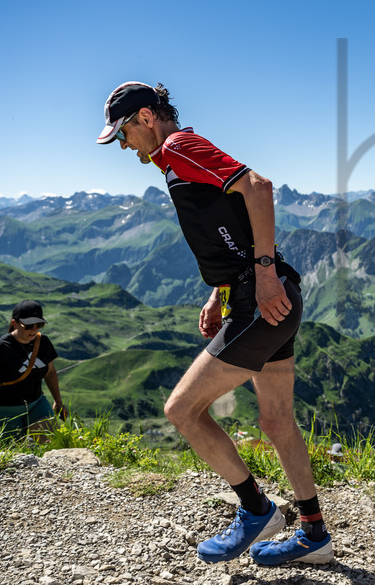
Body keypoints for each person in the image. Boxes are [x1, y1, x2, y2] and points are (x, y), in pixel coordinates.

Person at [95, 82, 332, 566]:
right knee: (276, 420)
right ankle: (313, 533)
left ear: (145, 117)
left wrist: (261, 276)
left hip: (261, 301)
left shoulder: (180, 146)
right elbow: (232, 229)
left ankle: (256, 510)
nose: (122, 145)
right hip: (260, 296)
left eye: (122, 133)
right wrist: (218, 292)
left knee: (182, 410)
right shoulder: (173, 160)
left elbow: (258, 187)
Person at [0, 300, 66, 442]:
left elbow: (50, 372)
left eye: (39, 325)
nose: (34, 330)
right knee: (16, 454)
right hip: (3, 409)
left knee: (50, 444)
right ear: (14, 323)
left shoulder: (43, 342)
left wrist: (58, 401)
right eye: (28, 326)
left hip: (36, 403)